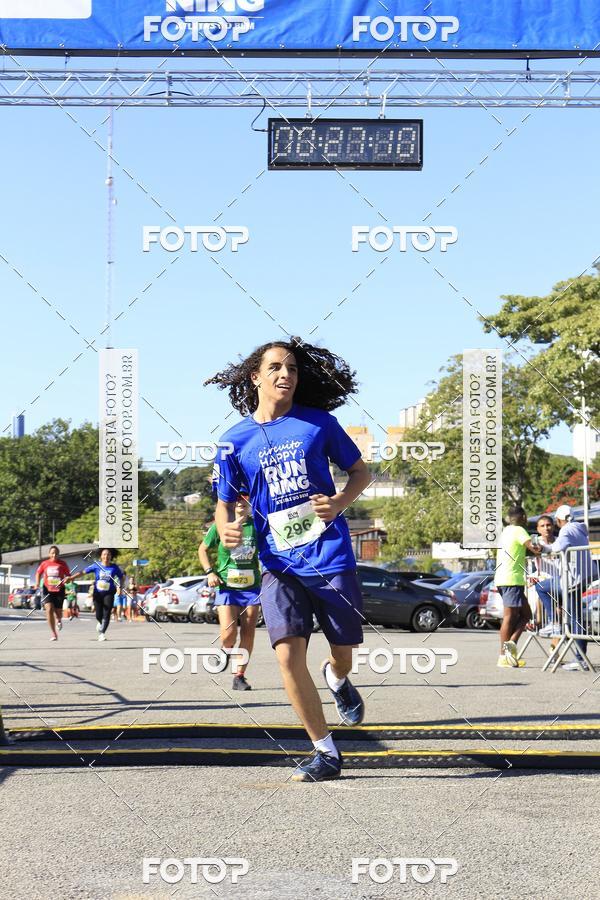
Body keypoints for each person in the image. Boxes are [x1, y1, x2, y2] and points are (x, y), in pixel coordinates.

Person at [206, 337, 371, 782]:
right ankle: (325, 752)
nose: (286, 375)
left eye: (293, 369)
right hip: (278, 563)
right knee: (286, 655)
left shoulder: (318, 424)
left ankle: (337, 680)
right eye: (276, 367)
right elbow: (225, 502)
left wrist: (338, 503)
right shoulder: (233, 440)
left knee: (343, 651)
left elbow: (361, 472)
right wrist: (225, 526)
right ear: (255, 377)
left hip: (330, 554)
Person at [199, 494, 261, 691]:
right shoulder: (221, 525)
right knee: (229, 632)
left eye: (247, 498)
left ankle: (239, 676)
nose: (242, 501)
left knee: (249, 632)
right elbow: (203, 550)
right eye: (238, 498)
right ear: (232, 503)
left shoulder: (257, 525)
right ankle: (226, 650)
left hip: (251, 587)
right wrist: (210, 573)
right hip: (227, 586)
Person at [542, 504, 594, 671]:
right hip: (582, 578)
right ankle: (581, 658)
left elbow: (557, 548)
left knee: (541, 587)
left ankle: (554, 622)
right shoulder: (579, 528)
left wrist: (542, 548)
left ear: (558, 520)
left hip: (571, 580)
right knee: (576, 618)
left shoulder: (566, 530)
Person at [495, 506, 541, 667]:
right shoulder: (519, 530)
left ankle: (509, 651)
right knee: (510, 617)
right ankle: (503, 656)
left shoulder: (506, 531)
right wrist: (540, 545)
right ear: (523, 516)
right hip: (511, 579)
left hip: (505, 579)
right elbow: (535, 548)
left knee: (526, 615)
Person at [69, 549, 124, 641]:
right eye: (104, 554)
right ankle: (99, 622)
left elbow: (121, 577)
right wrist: (71, 577)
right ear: (101, 556)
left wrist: (120, 586)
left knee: (107, 613)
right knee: (98, 614)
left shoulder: (114, 567)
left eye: (108, 555)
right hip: (97, 593)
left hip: (109, 593)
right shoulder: (96, 565)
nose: (106, 556)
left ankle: (102, 633)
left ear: (111, 556)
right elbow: (83, 572)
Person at [33, 545, 71, 641]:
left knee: (58, 612)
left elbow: (69, 576)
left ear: (58, 554)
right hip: (47, 589)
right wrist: (37, 583)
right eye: (52, 553)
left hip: (59, 590)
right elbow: (38, 573)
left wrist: (67, 579)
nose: (54, 555)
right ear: (49, 554)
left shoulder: (63, 564)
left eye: (56, 553)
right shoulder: (44, 563)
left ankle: (59, 619)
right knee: (49, 609)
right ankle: (54, 633)